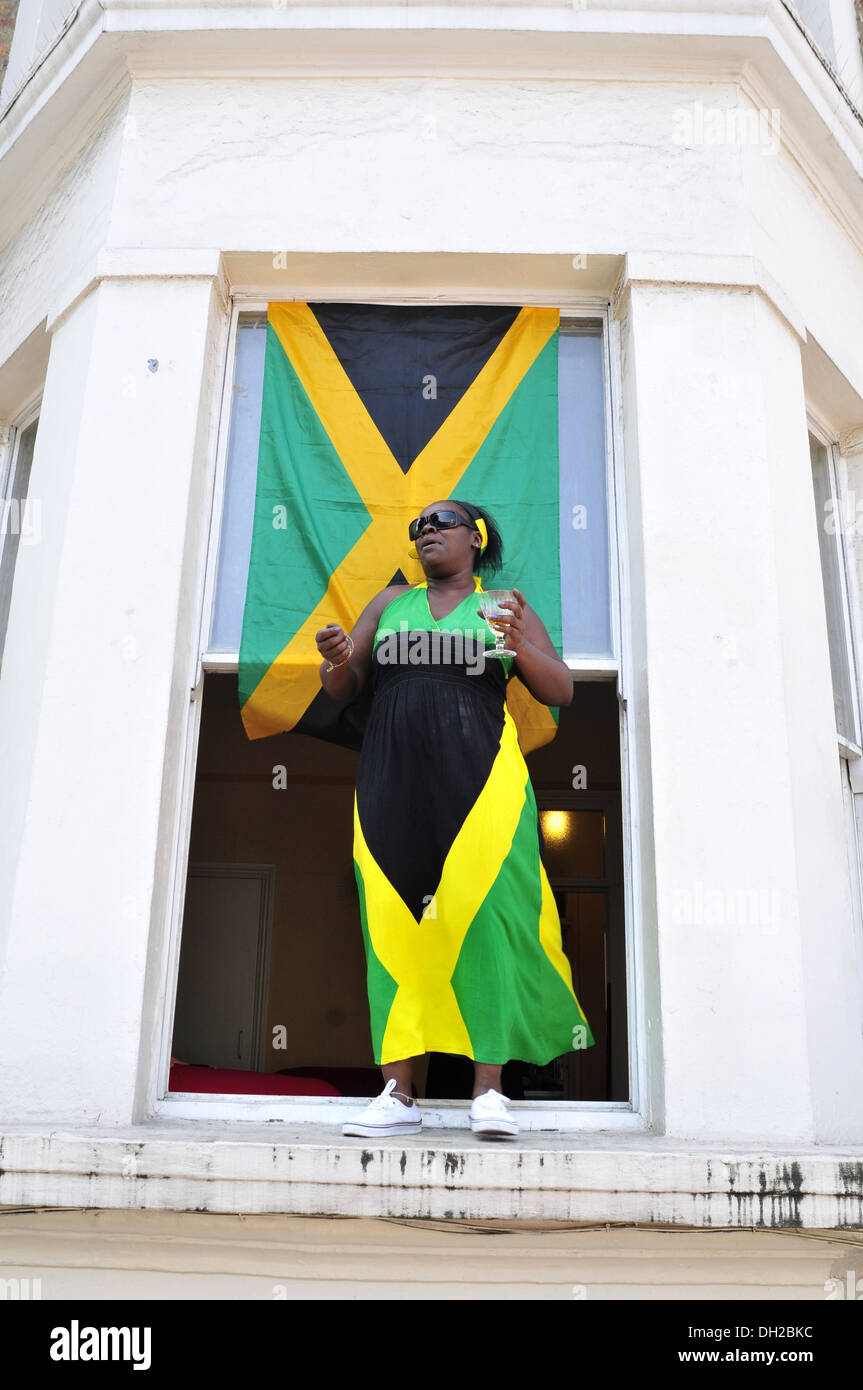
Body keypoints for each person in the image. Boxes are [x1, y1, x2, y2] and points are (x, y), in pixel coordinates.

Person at [315, 499, 594, 1139]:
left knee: (489, 925)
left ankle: (489, 1092)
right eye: (418, 527)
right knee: (393, 927)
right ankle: (397, 1094)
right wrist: (335, 658)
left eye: (441, 522)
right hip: (392, 786)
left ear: (475, 537)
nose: (427, 532)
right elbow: (345, 686)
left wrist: (521, 645)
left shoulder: (502, 607)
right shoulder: (389, 605)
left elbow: (561, 691)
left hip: (484, 790)